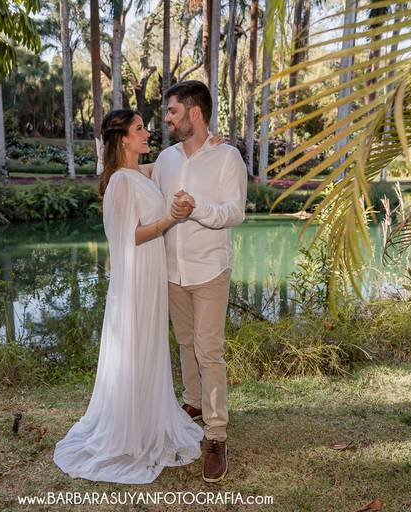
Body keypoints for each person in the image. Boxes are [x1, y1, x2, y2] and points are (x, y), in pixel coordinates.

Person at [53, 109, 204, 484]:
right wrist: (171, 219)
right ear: (122, 139)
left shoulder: (139, 173)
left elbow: (170, 162)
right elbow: (129, 236)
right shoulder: (120, 182)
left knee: (150, 344)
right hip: (136, 276)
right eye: (139, 129)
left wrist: (204, 141)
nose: (147, 132)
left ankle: (149, 419)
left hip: (151, 272)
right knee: (136, 345)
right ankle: (130, 430)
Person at [152, 80, 248, 483]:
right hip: (172, 271)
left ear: (194, 112)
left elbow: (234, 212)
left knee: (209, 352)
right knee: (185, 342)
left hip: (209, 270)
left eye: (172, 111)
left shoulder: (228, 158)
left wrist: (195, 209)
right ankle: (193, 402)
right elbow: (146, 194)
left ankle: (216, 435)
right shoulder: (165, 159)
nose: (167, 118)